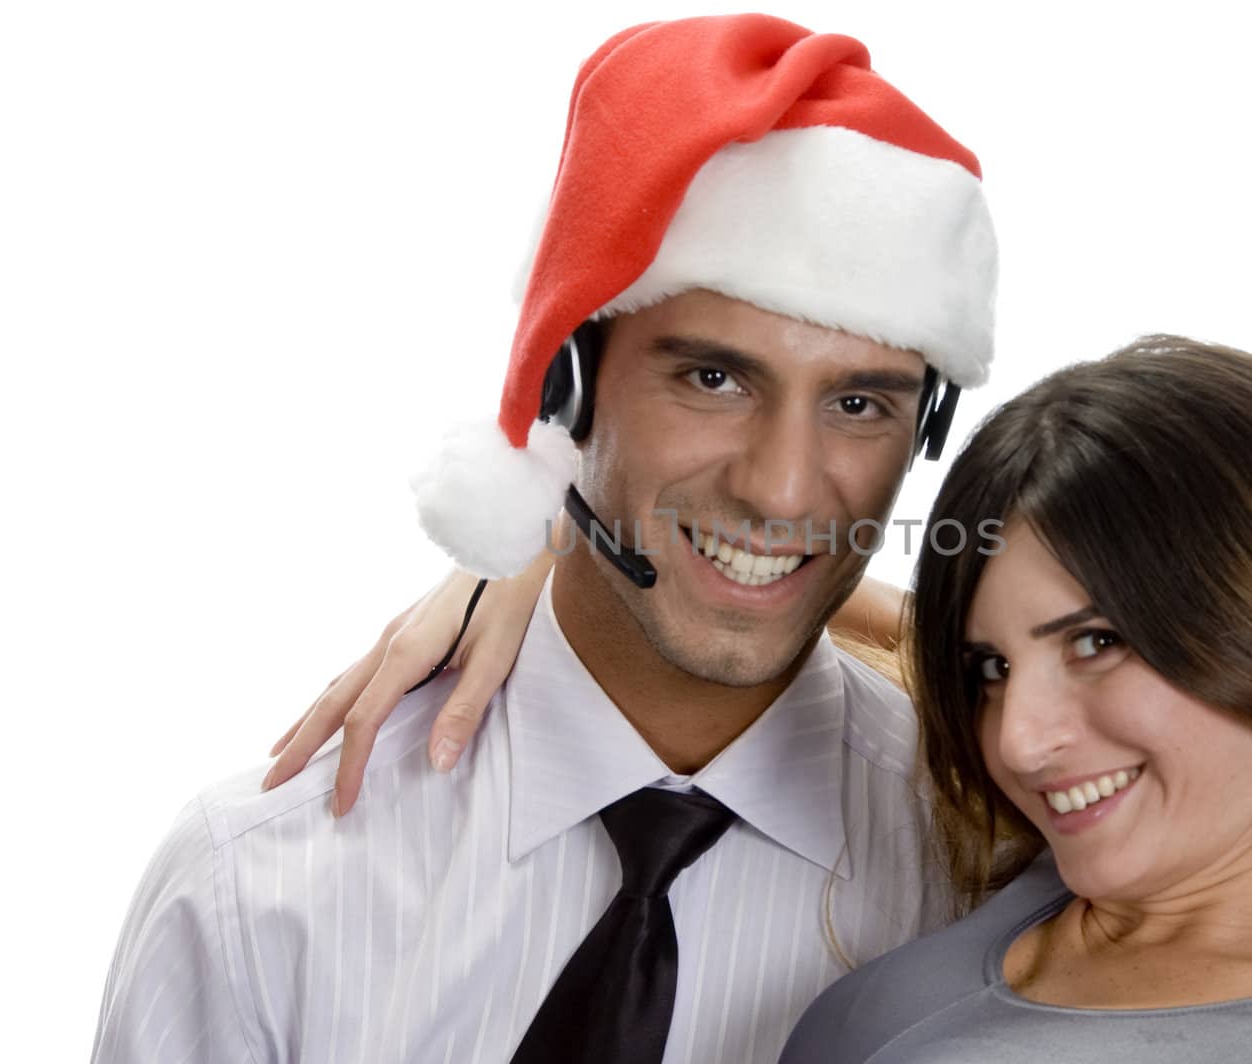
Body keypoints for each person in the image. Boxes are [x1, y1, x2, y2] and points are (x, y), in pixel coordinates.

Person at [90, 14, 996, 1064]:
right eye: (712, 377)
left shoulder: (1004, 881)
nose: (782, 487)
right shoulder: (255, 887)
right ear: (563, 379)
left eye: (858, 404)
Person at [290, 338, 1252, 1062]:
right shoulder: (1036, 877)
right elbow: (804, 580)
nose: (1017, 735)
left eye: (1099, 639)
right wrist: (548, 551)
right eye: (991, 669)